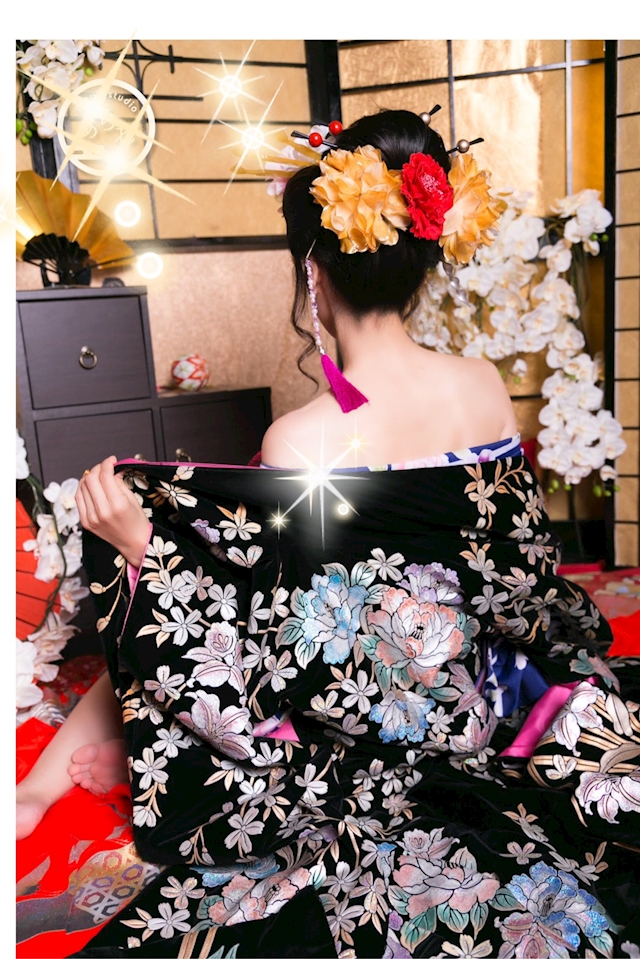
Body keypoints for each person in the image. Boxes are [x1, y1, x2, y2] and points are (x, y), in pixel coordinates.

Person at [17, 110, 640, 959]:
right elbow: (521, 575)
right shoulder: (483, 385)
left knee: (175, 579)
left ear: (311, 268)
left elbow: (293, 655)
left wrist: (148, 553)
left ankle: (36, 788)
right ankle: (55, 774)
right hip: (499, 695)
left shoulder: (301, 439)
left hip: (381, 724)